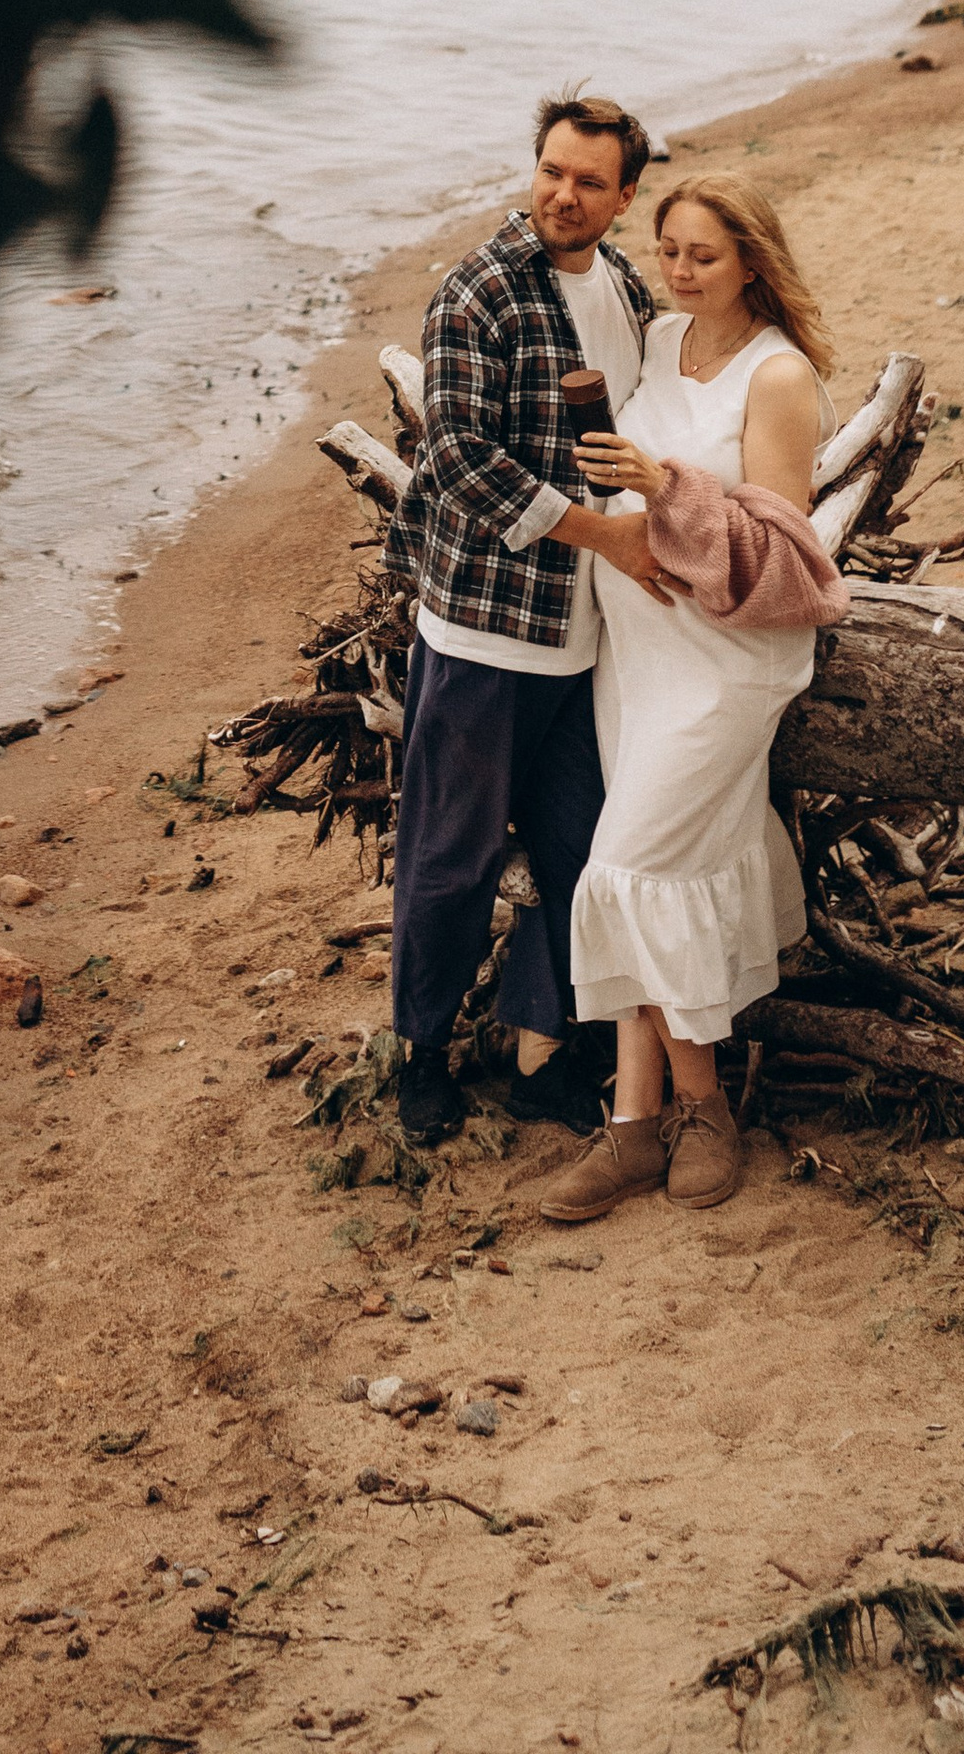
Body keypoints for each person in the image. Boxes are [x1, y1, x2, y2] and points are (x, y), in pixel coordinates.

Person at [540, 172, 849, 1223]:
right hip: (638, 649)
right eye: (666, 248)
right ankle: (635, 1125)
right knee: (656, 870)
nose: (676, 271)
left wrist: (655, 483)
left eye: (702, 255)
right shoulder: (658, 338)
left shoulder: (779, 378)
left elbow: (778, 545)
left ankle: (705, 1109)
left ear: (752, 261)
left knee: (629, 865)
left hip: (724, 658)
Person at [388, 91, 672, 1151]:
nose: (563, 193)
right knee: (448, 858)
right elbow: (457, 457)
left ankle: (536, 1054)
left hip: (591, 643)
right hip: (483, 639)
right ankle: (418, 1057)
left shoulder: (629, 291)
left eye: (589, 181)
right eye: (552, 170)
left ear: (624, 196)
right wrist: (606, 543)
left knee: (585, 855)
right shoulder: (478, 296)